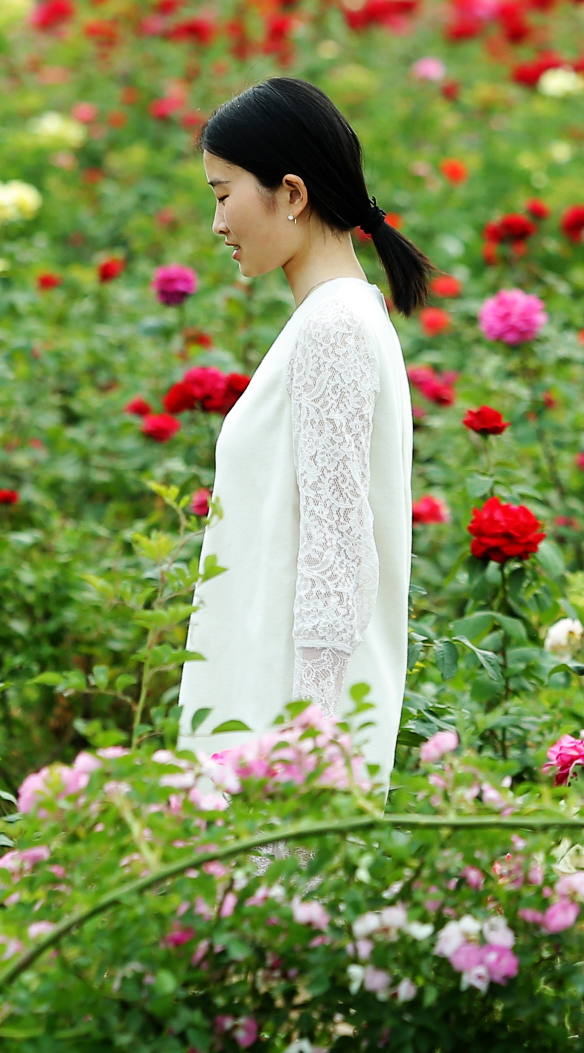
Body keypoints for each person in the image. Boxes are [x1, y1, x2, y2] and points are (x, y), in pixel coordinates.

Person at [175, 77, 427, 777]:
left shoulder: (335, 328)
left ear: (290, 193)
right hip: (271, 713)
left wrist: (307, 738)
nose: (218, 224)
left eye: (224, 195)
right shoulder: (340, 319)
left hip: (286, 731)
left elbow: (338, 551)